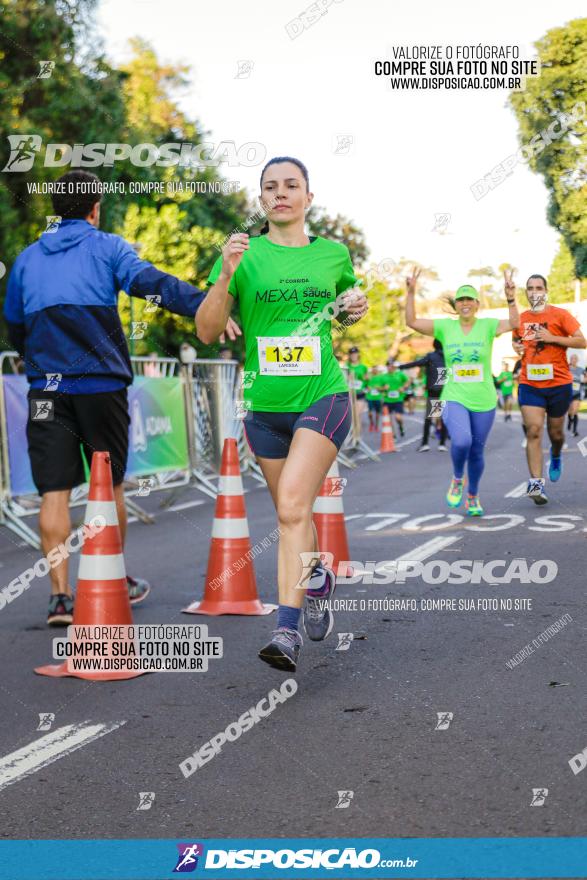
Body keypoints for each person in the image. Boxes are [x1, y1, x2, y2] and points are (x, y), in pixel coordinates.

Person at [3, 169, 239, 626]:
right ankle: (113, 579)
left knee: (53, 491)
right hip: (101, 387)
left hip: (45, 389)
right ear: (95, 209)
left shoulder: (28, 259)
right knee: (107, 485)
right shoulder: (108, 246)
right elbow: (154, 284)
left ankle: (59, 598)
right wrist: (206, 302)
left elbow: (15, 326)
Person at [195, 156, 368, 672]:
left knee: (293, 504)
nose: (281, 193)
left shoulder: (333, 254)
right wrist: (225, 274)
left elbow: (350, 304)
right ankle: (317, 583)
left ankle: (285, 631)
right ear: (262, 199)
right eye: (270, 187)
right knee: (293, 515)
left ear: (308, 198)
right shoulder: (241, 256)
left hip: (323, 396)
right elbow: (206, 330)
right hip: (264, 409)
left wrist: (355, 306)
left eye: (292, 185)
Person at [406, 268, 519, 515]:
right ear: (456, 305)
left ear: (477, 304)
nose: (465, 303)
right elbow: (412, 322)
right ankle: (458, 478)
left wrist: (511, 298)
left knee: (477, 451)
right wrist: (411, 293)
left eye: (469, 299)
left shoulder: (488, 325)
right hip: (454, 396)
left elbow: (514, 323)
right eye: (461, 299)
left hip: (484, 398)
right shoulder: (445, 327)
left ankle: (473, 495)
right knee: (462, 441)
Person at [512, 274, 586, 504]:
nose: (534, 292)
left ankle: (555, 454)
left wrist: (552, 337)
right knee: (533, 430)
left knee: (556, 434)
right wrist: (516, 347)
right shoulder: (521, 319)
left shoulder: (560, 315)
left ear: (546, 291)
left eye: (538, 288)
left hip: (559, 384)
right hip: (530, 384)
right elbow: (517, 341)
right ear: (526, 293)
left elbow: (581, 341)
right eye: (530, 288)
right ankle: (536, 485)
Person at [399, 339, 448, 451]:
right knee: (443, 417)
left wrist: (401, 366)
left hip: (433, 391)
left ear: (434, 345)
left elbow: (417, 363)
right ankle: (442, 444)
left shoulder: (430, 357)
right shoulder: (448, 357)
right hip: (445, 390)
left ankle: (425, 443)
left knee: (429, 418)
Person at [380, 360, 410, 437]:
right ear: (387, 367)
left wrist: (403, 387)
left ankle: (401, 426)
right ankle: (393, 435)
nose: (390, 367)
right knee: (389, 419)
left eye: (392, 366)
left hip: (398, 399)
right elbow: (378, 388)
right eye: (389, 366)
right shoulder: (383, 376)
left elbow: (408, 381)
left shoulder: (400, 374)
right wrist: (383, 388)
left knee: (398, 417)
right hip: (387, 400)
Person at [347, 346, 368, 419]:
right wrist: (347, 378)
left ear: (358, 354)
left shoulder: (363, 367)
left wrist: (366, 381)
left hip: (360, 393)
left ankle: (358, 430)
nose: (353, 355)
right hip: (349, 394)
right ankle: (353, 430)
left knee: (357, 415)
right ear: (349, 355)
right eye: (352, 354)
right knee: (351, 416)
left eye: (355, 353)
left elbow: (367, 380)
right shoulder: (346, 366)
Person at [567, 353, 583, 437]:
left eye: (575, 358)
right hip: (568, 393)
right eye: (572, 358)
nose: (574, 360)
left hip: (577, 393)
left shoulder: (581, 369)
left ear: (577, 360)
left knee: (575, 410)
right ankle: (570, 420)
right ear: (570, 360)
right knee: (570, 411)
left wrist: (582, 380)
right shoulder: (567, 368)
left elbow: (585, 378)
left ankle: (574, 430)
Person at [365, 367, 384, 432]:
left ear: (377, 370)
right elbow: (365, 386)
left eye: (375, 369)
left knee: (377, 413)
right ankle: (371, 423)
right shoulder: (369, 377)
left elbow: (385, 387)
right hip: (370, 397)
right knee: (370, 413)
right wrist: (368, 387)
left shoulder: (381, 377)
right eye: (373, 369)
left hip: (378, 397)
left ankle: (376, 425)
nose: (374, 370)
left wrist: (379, 388)